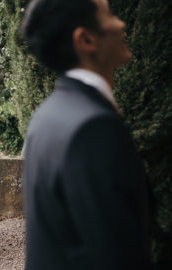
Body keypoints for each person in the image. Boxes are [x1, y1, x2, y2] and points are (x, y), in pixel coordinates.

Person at [21, 0, 151, 269]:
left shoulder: (46, 116)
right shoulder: (93, 128)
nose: (122, 24)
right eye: (110, 15)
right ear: (87, 40)